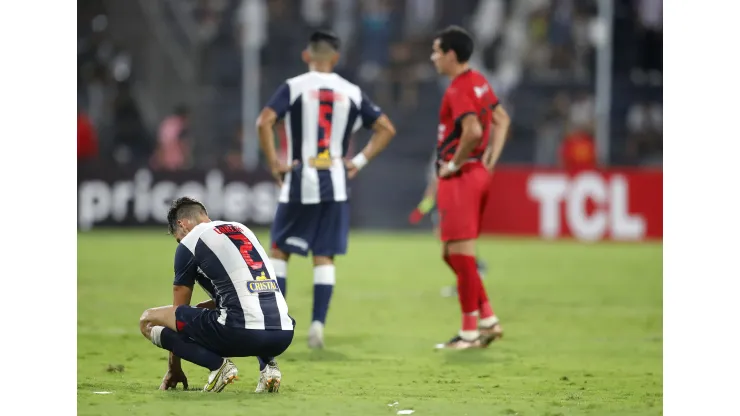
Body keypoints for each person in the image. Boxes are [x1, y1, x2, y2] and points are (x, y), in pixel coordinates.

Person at [256, 30, 396, 349]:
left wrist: (274, 163)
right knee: (324, 256)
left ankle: (276, 321)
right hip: (334, 181)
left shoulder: (294, 87)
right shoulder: (351, 91)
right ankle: (317, 324)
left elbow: (264, 121)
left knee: (279, 251)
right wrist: (358, 161)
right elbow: (387, 128)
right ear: (335, 58)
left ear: (307, 56)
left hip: (298, 180)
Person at [138, 197, 295, 393]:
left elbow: (178, 313)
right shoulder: (242, 230)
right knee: (245, 303)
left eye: (178, 238)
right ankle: (269, 367)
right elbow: (241, 291)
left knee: (148, 320)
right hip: (283, 333)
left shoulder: (189, 243)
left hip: (239, 332)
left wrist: (174, 367)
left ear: (182, 224)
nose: (180, 242)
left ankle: (218, 367)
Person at [429, 26, 511, 350]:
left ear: (451, 54)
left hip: (461, 178)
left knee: (461, 257)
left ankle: (468, 333)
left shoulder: (458, 88)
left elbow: (473, 131)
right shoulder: (479, 81)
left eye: (436, 51)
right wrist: (492, 157)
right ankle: (488, 320)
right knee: (452, 254)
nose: (433, 57)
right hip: (477, 175)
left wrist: (454, 163)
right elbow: (501, 119)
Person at [409, 151, 488, 298]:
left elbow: (435, 184)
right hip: (446, 201)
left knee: (452, 245)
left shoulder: (448, 151)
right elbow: (433, 186)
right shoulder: (442, 150)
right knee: (448, 246)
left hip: (453, 199)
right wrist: (422, 209)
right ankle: (471, 275)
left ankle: (473, 272)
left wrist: (421, 210)